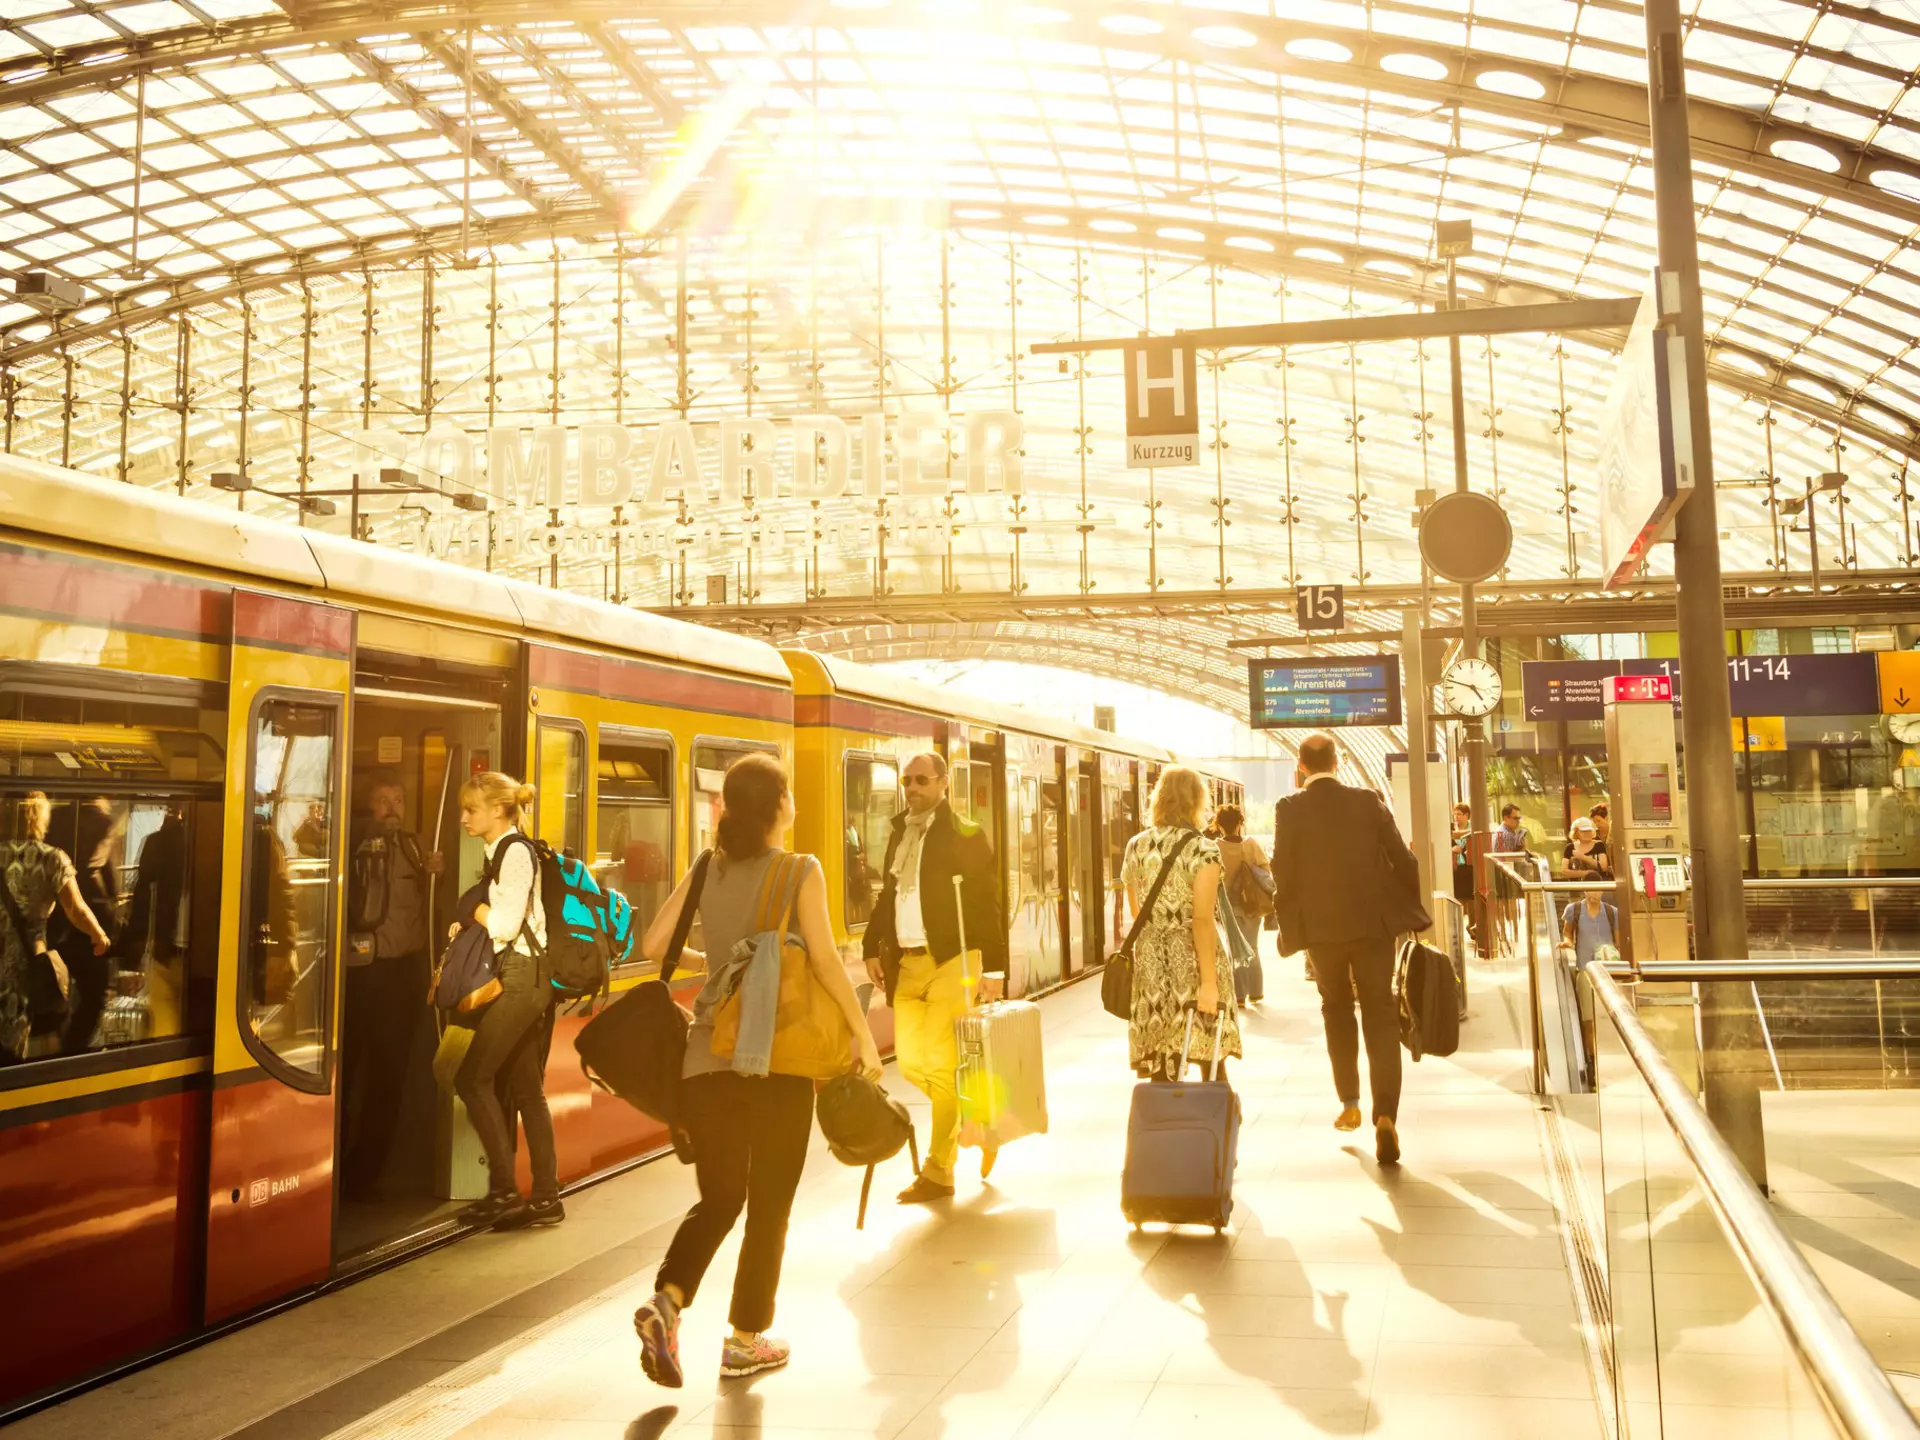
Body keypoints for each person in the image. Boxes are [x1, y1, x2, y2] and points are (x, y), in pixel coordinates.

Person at [633, 754, 883, 1386]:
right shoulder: (800, 869)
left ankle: (668, 1299)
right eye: (790, 794)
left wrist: (720, 962)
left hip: (703, 1060)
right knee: (769, 1203)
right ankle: (746, 1340)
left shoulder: (703, 868)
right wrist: (863, 1036)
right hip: (778, 1057)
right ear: (777, 807)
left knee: (720, 1198)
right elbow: (825, 963)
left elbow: (653, 947)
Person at [861, 750, 1006, 1203]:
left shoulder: (965, 833)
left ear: (945, 783)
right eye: (907, 781)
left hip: (953, 960)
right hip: (908, 962)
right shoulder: (900, 832)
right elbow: (889, 894)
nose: (913, 788)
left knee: (942, 1069)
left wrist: (996, 970)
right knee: (912, 1063)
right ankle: (979, 1115)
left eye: (922, 780)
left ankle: (938, 1171)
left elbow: (987, 902)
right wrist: (871, 945)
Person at [1270, 734, 1422, 1166]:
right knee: (1379, 1011)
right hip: (1373, 928)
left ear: (1301, 766)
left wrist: (1290, 930)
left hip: (1322, 934)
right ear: (1337, 762)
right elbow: (1403, 861)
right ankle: (1386, 1115)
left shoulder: (1289, 808)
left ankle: (1350, 1101)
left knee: (1336, 1008)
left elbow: (1283, 871)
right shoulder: (1368, 801)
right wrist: (1406, 914)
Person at [447, 772, 560, 1232]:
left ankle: (504, 1191)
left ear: (498, 810)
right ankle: (546, 1198)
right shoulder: (501, 852)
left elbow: (507, 926)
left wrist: (472, 911)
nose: (464, 818)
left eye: (471, 809)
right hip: (525, 978)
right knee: (528, 1092)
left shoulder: (514, 854)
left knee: (472, 1078)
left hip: (520, 979)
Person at [343, 775, 443, 1199]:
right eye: (382, 798)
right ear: (368, 803)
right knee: (346, 1067)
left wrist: (438, 869)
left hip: (404, 972)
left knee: (389, 1074)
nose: (391, 807)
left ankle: (364, 1173)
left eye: (397, 798)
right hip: (360, 972)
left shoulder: (415, 847)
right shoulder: (350, 841)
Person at [1122, 766, 1240, 1082]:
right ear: (1198, 802)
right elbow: (1202, 919)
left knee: (1161, 1063)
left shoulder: (1136, 845)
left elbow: (1137, 911)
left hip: (1150, 963)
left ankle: (1163, 1126)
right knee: (1210, 1055)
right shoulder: (1203, 848)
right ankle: (1214, 1125)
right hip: (1193, 959)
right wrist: (1209, 982)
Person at [0, 793, 111, 1066]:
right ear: (41, 818)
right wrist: (99, 934)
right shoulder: (52, 859)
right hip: (24, 967)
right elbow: (75, 908)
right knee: (12, 1046)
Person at [1213, 804, 1268, 1007]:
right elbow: (1265, 871)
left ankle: (1239, 994)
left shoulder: (1214, 847)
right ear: (1239, 823)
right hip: (1252, 905)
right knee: (1252, 947)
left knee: (1235, 948)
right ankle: (1256, 992)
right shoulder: (1251, 844)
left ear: (1219, 825)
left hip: (1228, 907)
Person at [1561, 887, 1619, 969]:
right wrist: (1568, 941)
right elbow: (1567, 932)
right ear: (1585, 891)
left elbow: (1618, 941)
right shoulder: (1573, 909)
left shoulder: (1612, 911)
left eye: (1598, 890)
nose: (1595, 893)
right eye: (1592, 890)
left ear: (1602, 891)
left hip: (1609, 968)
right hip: (1584, 967)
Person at [1562, 816, 1612, 883]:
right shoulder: (1570, 847)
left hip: (1596, 888)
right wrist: (1587, 873)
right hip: (1576, 889)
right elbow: (1564, 872)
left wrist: (1583, 857)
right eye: (1583, 831)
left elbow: (1603, 867)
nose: (1587, 833)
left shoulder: (1599, 845)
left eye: (1589, 831)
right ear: (1576, 832)